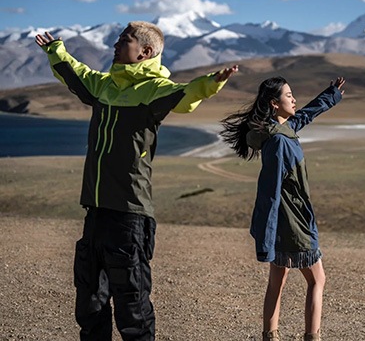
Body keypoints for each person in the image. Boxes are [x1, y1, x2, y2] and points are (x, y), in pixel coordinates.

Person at [35, 22, 237, 341]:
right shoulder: (104, 86)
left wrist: (210, 84)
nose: (115, 44)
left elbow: (184, 96)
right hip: (96, 213)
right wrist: (55, 50)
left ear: (145, 51)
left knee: (133, 312)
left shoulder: (154, 90)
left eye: (124, 40)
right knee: (90, 306)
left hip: (129, 217)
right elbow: (75, 74)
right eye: (117, 38)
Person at [220, 76, 346, 341]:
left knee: (277, 280)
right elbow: (269, 193)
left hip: (284, 223)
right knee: (317, 280)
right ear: (274, 104)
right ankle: (312, 336)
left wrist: (330, 95)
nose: (294, 99)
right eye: (289, 95)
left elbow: (305, 116)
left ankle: (270, 335)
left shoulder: (278, 130)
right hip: (293, 222)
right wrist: (266, 241)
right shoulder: (278, 142)